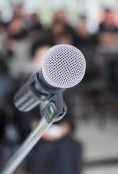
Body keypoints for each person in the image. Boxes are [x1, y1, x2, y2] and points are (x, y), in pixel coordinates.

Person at [23, 42, 82, 174]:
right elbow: (23, 116)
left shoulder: (63, 87)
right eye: (41, 59)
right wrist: (40, 130)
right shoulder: (26, 86)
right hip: (36, 135)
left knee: (70, 147)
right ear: (34, 62)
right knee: (45, 150)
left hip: (60, 134)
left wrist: (65, 128)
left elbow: (70, 118)